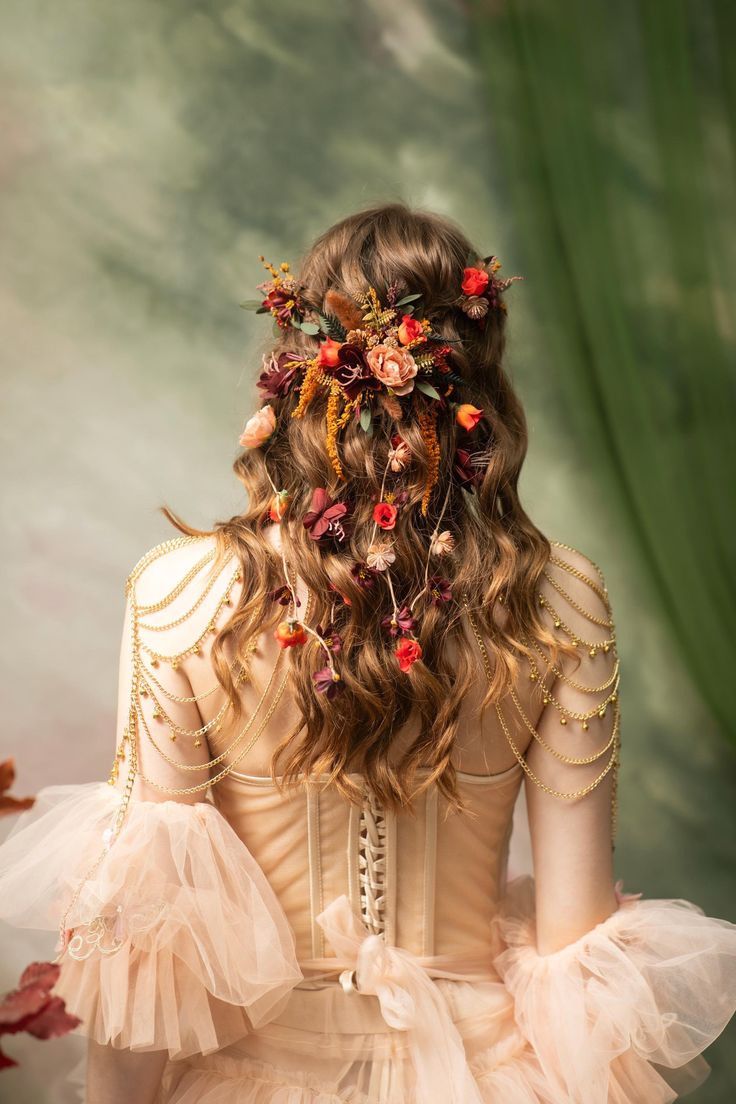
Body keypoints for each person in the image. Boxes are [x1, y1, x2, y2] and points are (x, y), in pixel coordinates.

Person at [1, 202, 735, 1104]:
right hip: (485, 1076)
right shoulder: (558, 597)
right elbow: (574, 939)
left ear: (297, 371)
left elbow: (153, 950)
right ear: (478, 379)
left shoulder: (179, 595)